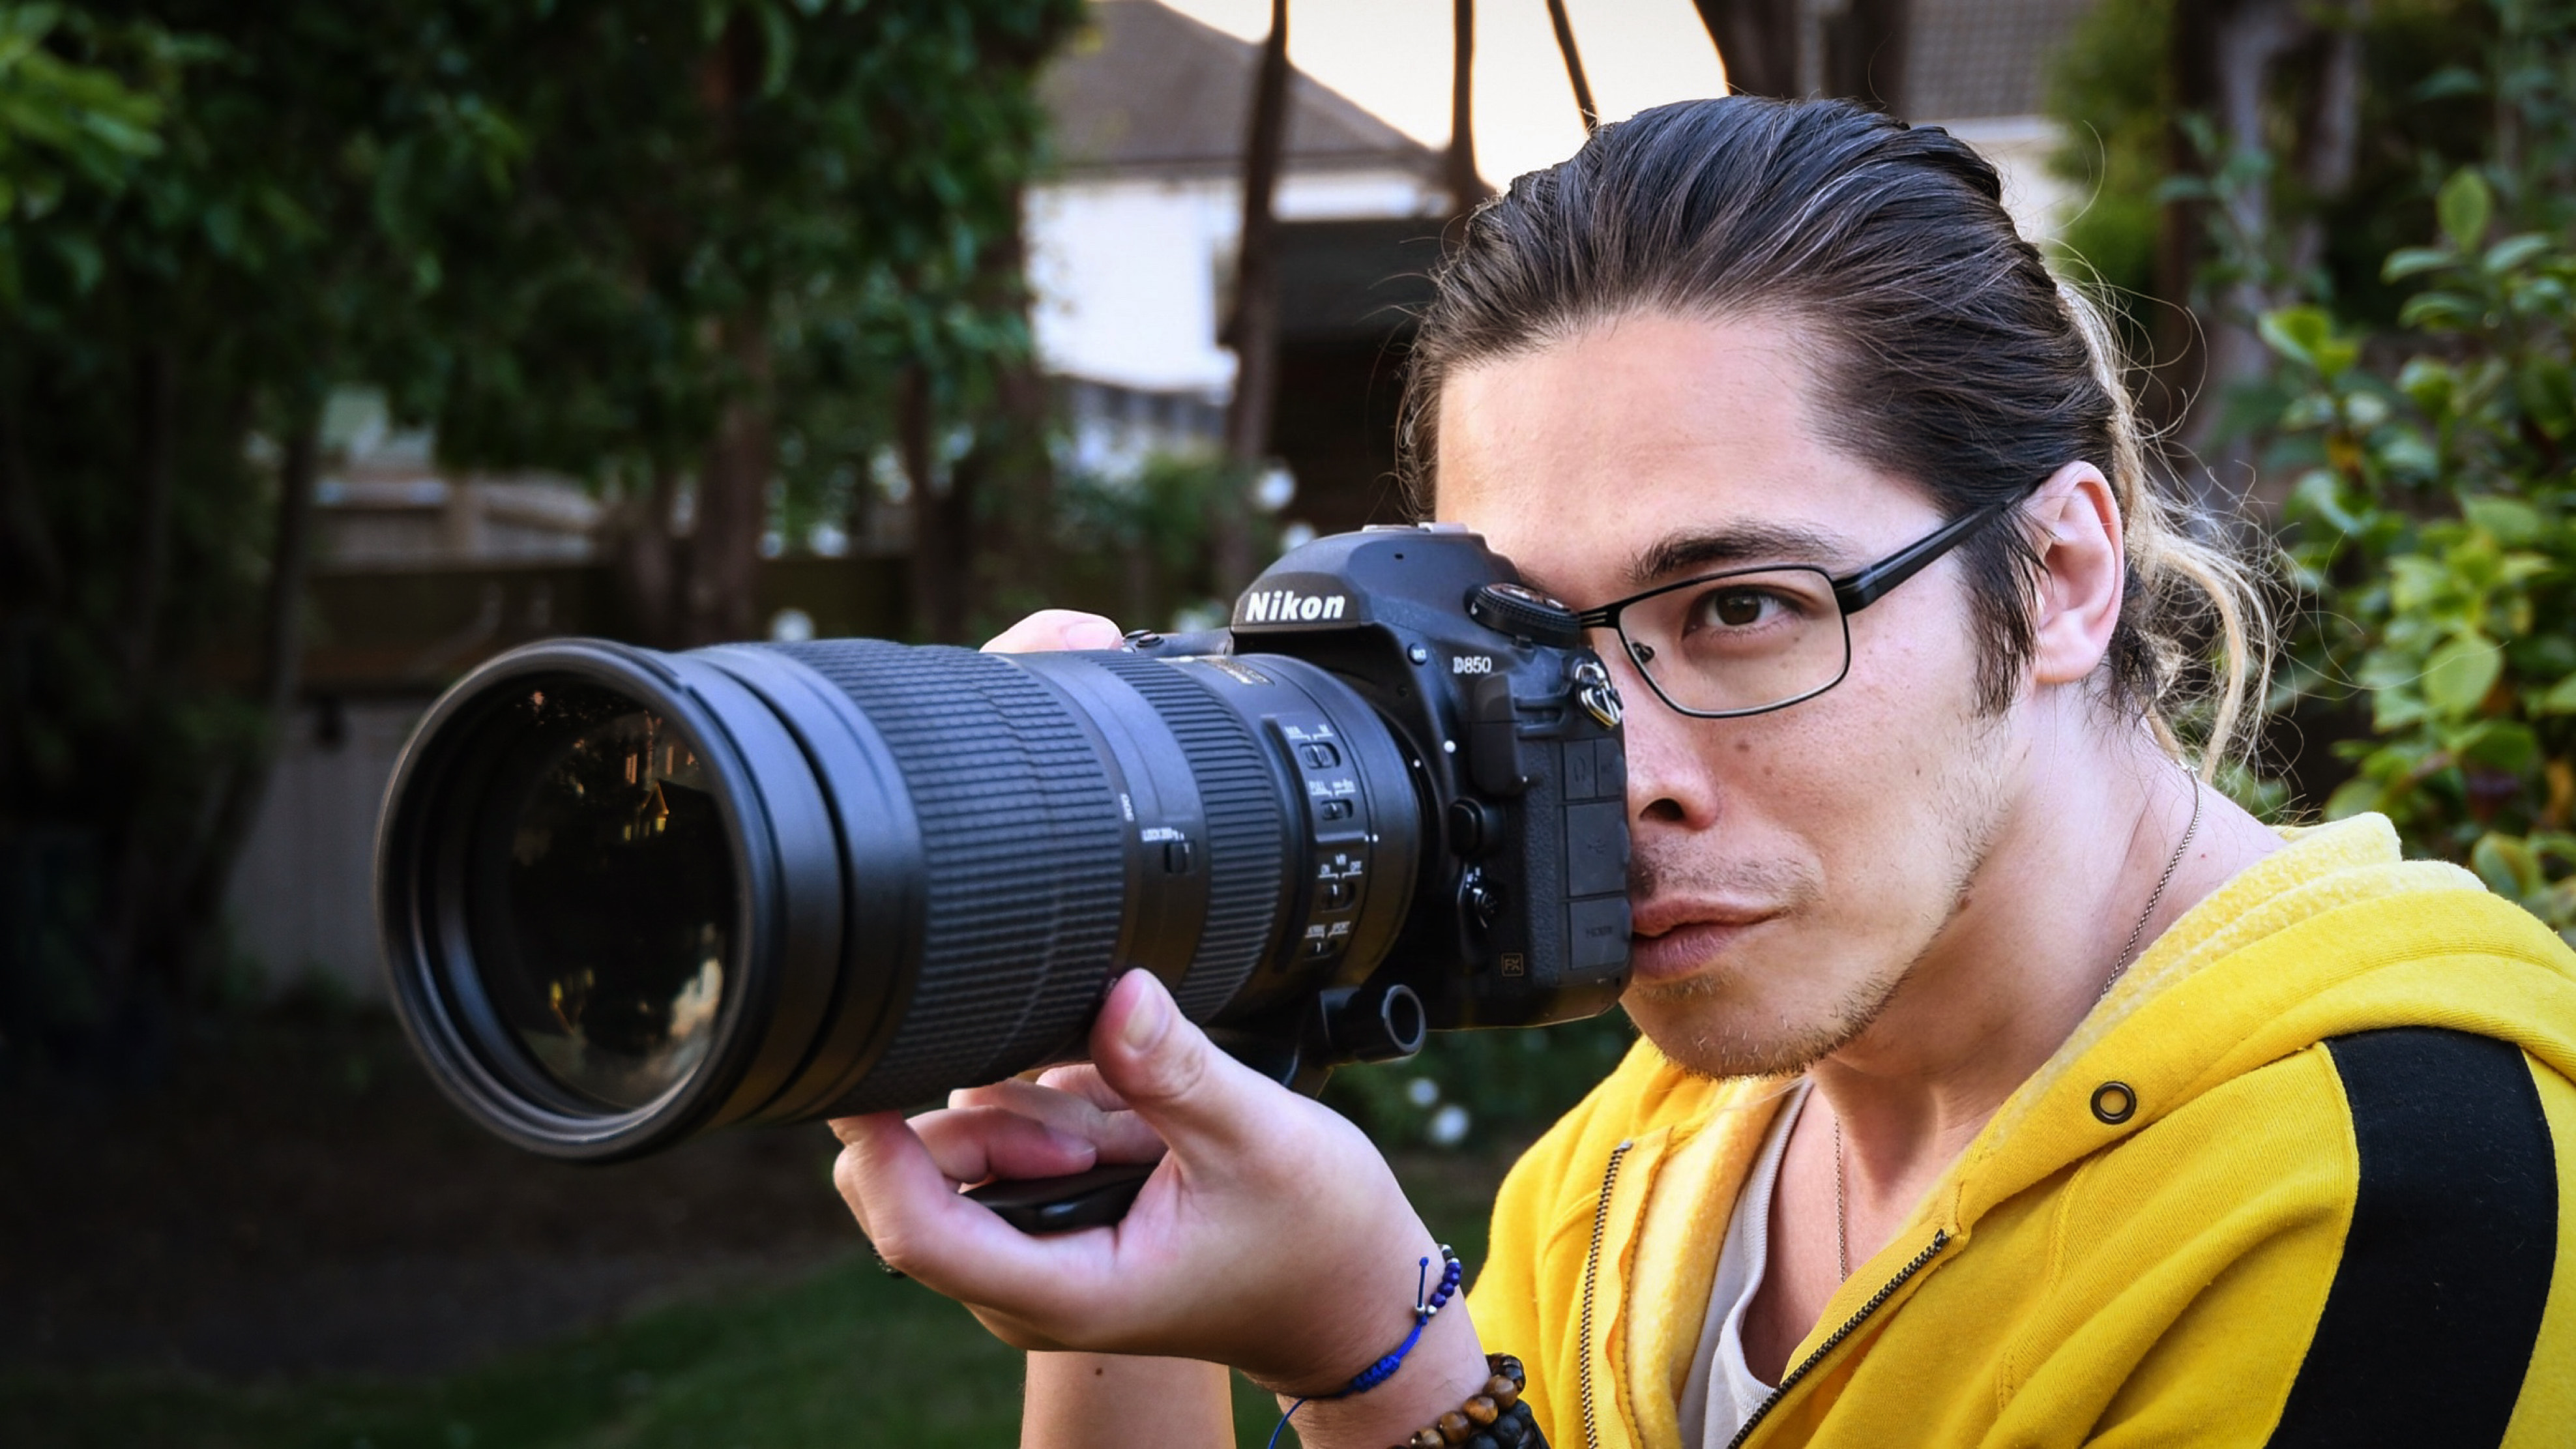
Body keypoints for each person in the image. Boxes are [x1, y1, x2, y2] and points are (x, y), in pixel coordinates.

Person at [831, 98, 2576, 1449]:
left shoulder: (2414, 1192)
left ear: (2057, 579)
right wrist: (1118, 1221)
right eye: (1534, 644)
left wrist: (1380, 1363)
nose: (1627, 771)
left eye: (1737, 606)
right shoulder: (1646, 1176)